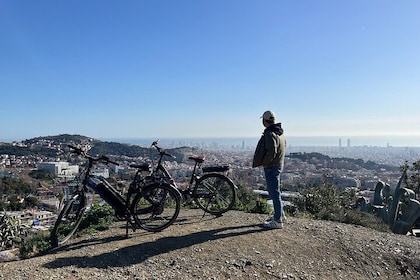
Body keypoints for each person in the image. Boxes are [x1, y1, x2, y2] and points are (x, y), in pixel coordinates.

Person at [252, 110, 286, 229]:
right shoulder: (280, 132)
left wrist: (265, 163)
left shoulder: (269, 133)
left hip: (272, 166)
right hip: (278, 164)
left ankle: (277, 220)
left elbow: (272, 151)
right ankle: (280, 214)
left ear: (264, 121)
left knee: (274, 192)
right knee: (277, 191)